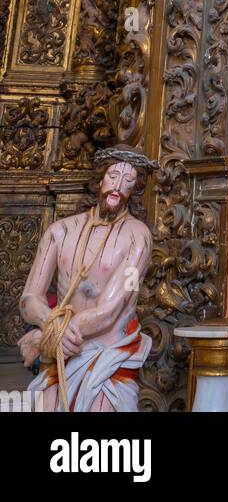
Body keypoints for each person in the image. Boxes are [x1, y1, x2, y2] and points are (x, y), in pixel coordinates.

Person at [18, 146, 156, 412]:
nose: (118, 186)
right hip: (62, 351)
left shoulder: (138, 238)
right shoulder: (59, 231)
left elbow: (110, 310)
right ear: (100, 179)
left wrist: (48, 336)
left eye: (128, 180)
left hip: (109, 353)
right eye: (113, 176)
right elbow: (29, 299)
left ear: (135, 188)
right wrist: (50, 325)